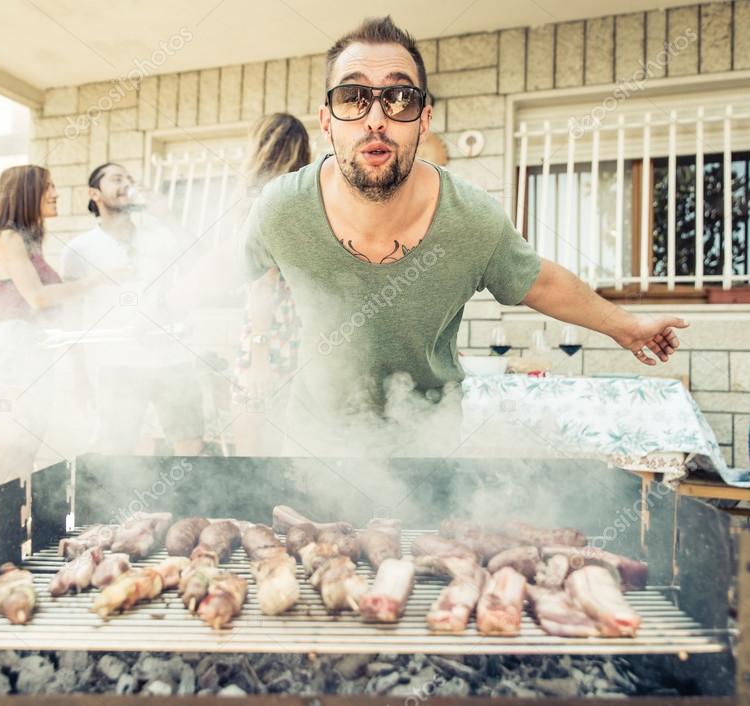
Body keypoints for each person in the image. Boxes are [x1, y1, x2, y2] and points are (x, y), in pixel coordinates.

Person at [240, 16, 689, 457]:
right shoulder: (281, 209)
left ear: (424, 119)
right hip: (314, 444)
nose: (376, 117)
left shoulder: (472, 217)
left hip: (426, 444)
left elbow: (540, 282)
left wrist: (626, 327)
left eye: (399, 98)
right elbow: (225, 276)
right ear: (326, 120)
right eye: (353, 97)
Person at [0, 165, 105, 494]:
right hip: (14, 361)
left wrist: (78, 372)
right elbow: (38, 298)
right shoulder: (8, 240)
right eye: (48, 187)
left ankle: (16, 543)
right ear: (25, 194)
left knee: (22, 464)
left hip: (36, 360)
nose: (56, 193)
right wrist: (93, 282)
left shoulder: (28, 244)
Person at [60, 162, 205, 456]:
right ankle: (122, 504)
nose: (126, 183)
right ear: (94, 193)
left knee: (190, 442)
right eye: (116, 179)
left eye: (129, 179)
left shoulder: (159, 235)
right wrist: (78, 376)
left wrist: (167, 215)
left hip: (172, 359)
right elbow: (70, 317)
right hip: (117, 365)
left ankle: (188, 502)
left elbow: (201, 261)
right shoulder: (79, 249)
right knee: (117, 451)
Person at [232, 113, 310, 455]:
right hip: (298, 333)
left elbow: (264, 282)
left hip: (269, 332)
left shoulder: (263, 203)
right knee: (285, 449)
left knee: (252, 453)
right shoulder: (302, 201)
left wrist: (258, 356)